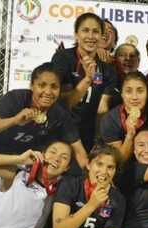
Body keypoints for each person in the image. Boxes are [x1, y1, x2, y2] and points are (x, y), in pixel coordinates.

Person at [0, 63, 88, 227]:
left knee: (13, 192)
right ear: (32, 85)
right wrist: (14, 120)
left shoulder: (59, 113)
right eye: (41, 85)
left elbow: (79, 152)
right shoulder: (16, 99)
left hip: (17, 156)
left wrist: (88, 182)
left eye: (54, 87)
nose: (48, 91)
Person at [50, 13, 120, 153]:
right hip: (60, 132)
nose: (90, 36)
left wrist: (99, 141)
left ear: (101, 36)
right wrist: (87, 79)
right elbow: (64, 103)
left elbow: (102, 109)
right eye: (85, 30)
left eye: (95, 32)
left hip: (87, 135)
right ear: (76, 34)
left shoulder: (108, 70)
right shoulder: (63, 58)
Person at [100, 71, 148, 162]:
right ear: (122, 94)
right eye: (128, 91)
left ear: (147, 93)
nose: (134, 97)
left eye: (140, 91)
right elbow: (118, 162)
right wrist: (130, 135)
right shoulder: (110, 120)